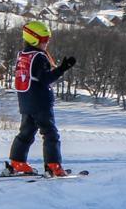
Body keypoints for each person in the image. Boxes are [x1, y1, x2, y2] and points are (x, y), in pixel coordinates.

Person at [6, 19, 76, 176]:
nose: (46, 43)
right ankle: (53, 165)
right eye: (44, 40)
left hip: (26, 102)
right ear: (33, 38)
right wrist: (62, 69)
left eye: (48, 40)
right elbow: (45, 79)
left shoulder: (23, 55)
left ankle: (17, 162)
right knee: (50, 134)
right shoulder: (39, 57)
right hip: (41, 103)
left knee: (26, 133)